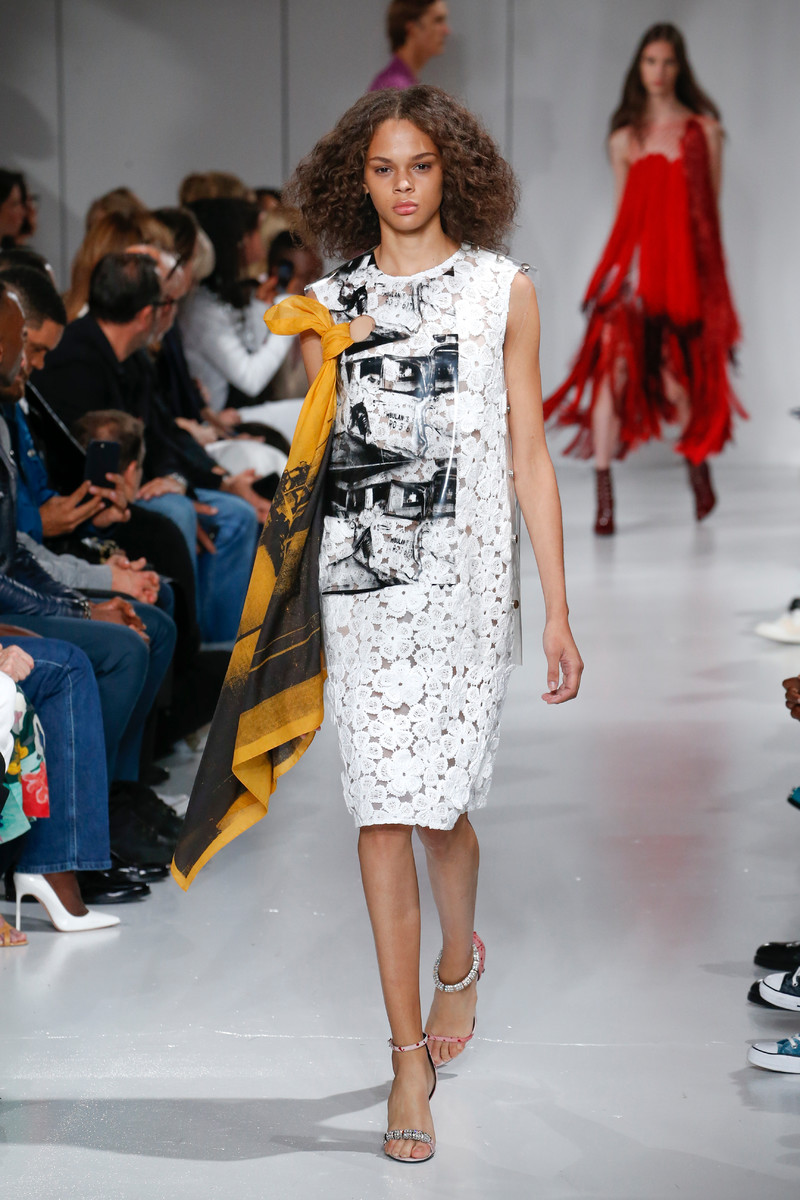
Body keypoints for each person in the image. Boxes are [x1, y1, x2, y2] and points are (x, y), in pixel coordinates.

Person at [173, 85, 583, 1162]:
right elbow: (324, 460)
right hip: (365, 585)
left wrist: (556, 609)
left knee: (442, 807)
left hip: (467, 586)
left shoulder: (502, 292)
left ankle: (458, 960)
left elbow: (528, 454)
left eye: (421, 166)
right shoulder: (330, 304)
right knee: (381, 809)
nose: (403, 186)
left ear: (454, 172)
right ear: (356, 182)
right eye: (383, 169)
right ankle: (406, 1058)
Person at [543, 23, 744, 535]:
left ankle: (697, 466)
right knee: (611, 375)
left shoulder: (704, 131)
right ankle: (604, 495)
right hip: (631, 274)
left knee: (677, 382)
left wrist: (709, 291)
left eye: (668, 62)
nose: (659, 71)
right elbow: (623, 216)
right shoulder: (624, 139)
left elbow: (709, 216)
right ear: (639, 67)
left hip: (680, 278)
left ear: (680, 68)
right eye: (651, 61)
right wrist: (617, 276)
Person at [33, 252, 259, 642]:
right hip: (93, 500)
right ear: (146, 314)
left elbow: (161, 434)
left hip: (143, 484)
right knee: (178, 513)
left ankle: (224, 649)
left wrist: (176, 480)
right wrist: (164, 489)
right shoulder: (72, 360)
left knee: (236, 516)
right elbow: (75, 461)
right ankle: (191, 652)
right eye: (165, 303)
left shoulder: (135, 358)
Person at [368, 0, 451, 92]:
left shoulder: (400, 84)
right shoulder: (396, 88)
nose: (446, 31)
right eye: (438, 20)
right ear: (412, 28)